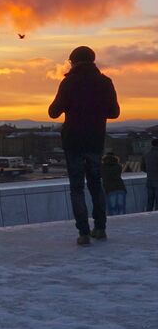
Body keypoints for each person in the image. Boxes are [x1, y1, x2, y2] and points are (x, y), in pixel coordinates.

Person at [49, 46, 120, 245]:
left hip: (73, 143)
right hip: (95, 141)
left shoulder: (69, 83)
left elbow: (53, 112)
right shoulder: (105, 82)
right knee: (96, 185)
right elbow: (114, 112)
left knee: (77, 188)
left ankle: (83, 232)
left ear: (73, 62)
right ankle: (100, 228)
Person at [101, 151, 126, 216]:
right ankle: (122, 222)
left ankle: (115, 223)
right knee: (121, 208)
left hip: (110, 189)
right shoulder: (119, 166)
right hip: (121, 188)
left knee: (112, 209)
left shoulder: (102, 167)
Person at [141, 138, 158, 211]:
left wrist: (150, 172)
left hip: (149, 180)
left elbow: (142, 167)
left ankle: (148, 214)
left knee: (150, 200)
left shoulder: (146, 154)